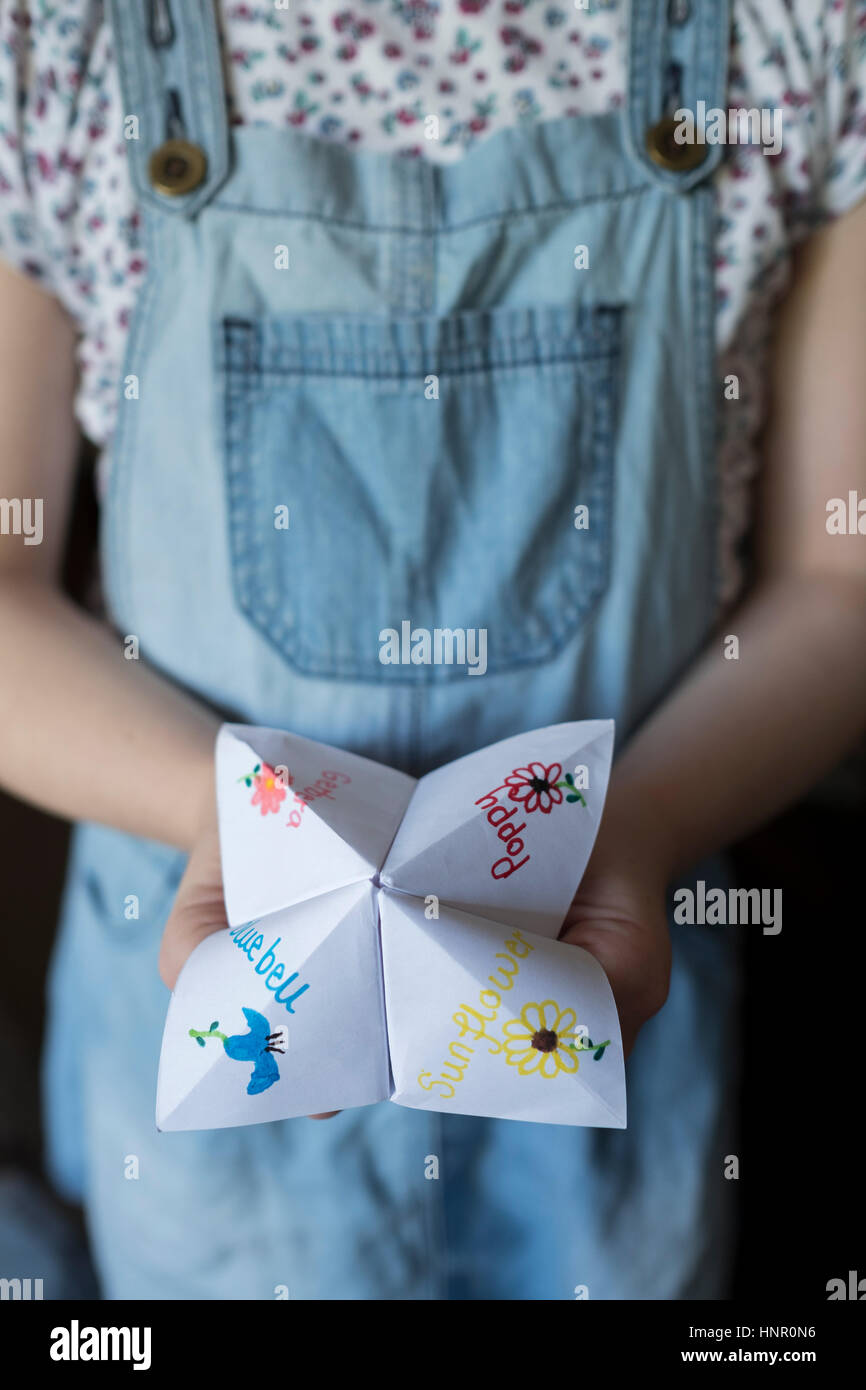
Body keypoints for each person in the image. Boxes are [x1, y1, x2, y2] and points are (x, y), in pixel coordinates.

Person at [0, 0, 864, 1300]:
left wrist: (633, 823)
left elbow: (840, 571)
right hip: (225, 998)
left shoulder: (793, 39)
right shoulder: (54, 47)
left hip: (604, 984)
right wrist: (217, 816)